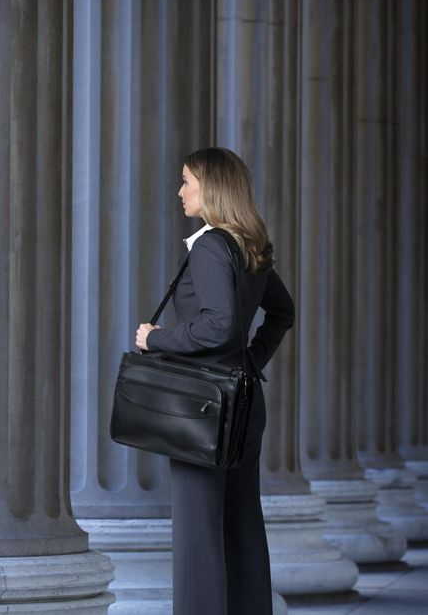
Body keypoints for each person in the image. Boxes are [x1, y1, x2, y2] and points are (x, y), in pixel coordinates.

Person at [133, 147, 295, 615]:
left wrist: (157, 338)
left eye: (187, 181)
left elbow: (217, 324)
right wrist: (251, 359)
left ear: (212, 186)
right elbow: (283, 312)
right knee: (242, 525)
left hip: (204, 407)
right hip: (243, 402)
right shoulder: (250, 243)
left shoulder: (209, 245)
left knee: (198, 533)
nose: (180, 190)